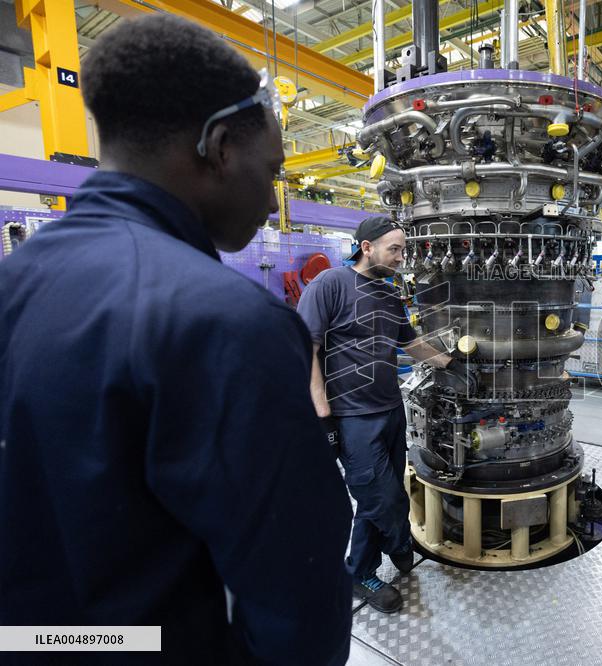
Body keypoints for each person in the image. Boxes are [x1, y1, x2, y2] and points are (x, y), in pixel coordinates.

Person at [0, 15, 354, 665]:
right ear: (220, 147)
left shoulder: (13, 283)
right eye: (272, 170)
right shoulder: (227, 324)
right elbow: (297, 591)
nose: (274, 201)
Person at [297, 214, 473, 614]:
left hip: (392, 411)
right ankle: (399, 545)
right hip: (352, 417)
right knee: (384, 500)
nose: (401, 257)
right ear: (367, 247)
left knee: (377, 499)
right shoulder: (330, 284)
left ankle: (361, 571)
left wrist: (451, 362)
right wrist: (322, 414)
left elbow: (411, 346)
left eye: (404, 250)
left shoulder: (390, 294)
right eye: (395, 249)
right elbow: (305, 348)